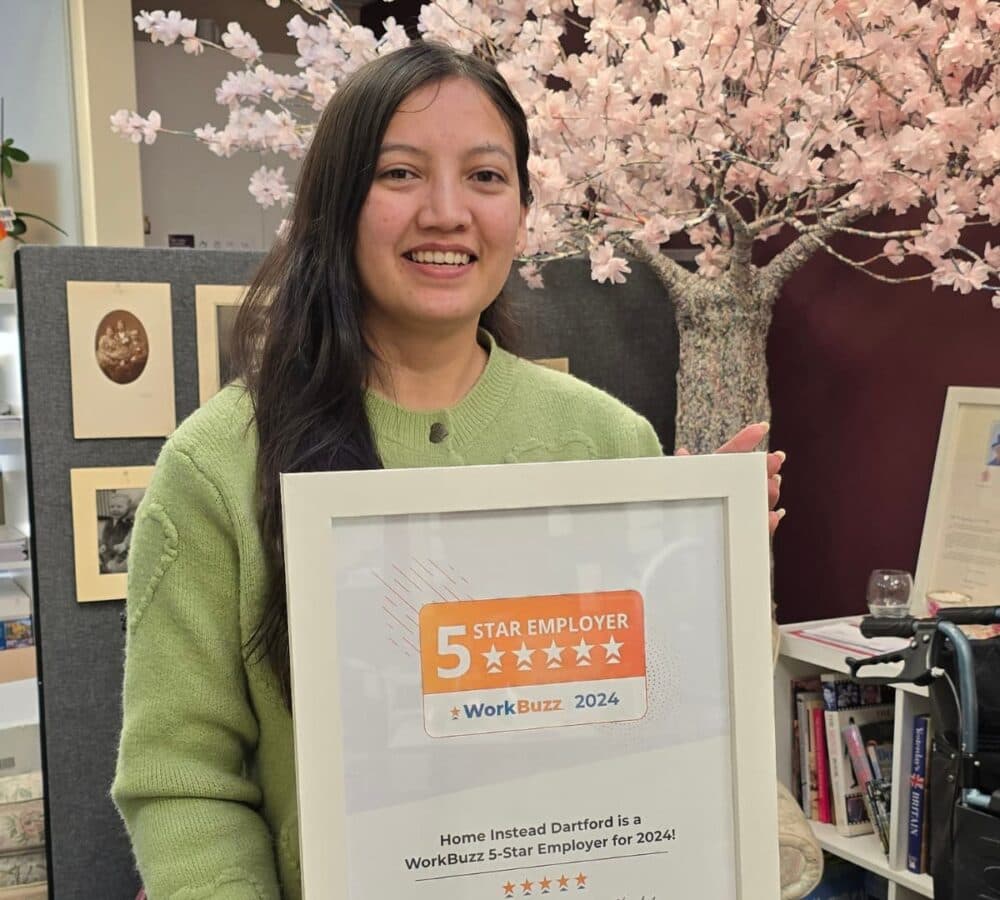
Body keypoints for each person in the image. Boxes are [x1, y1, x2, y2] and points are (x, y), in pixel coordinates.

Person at [111, 41, 784, 900]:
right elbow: (184, 781)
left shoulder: (608, 441)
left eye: (486, 177)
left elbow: (651, 737)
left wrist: (707, 583)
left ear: (524, 212)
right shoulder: (216, 466)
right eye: (399, 173)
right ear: (335, 203)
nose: (446, 211)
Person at [98, 492, 134, 574]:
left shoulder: (128, 522)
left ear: (127, 508)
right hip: (109, 549)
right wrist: (103, 544)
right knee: (102, 557)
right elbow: (105, 534)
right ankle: (105, 566)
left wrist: (124, 546)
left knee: (116, 565)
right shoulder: (109, 521)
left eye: (119, 507)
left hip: (122, 551)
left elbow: (132, 537)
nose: (115, 509)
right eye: (112, 507)